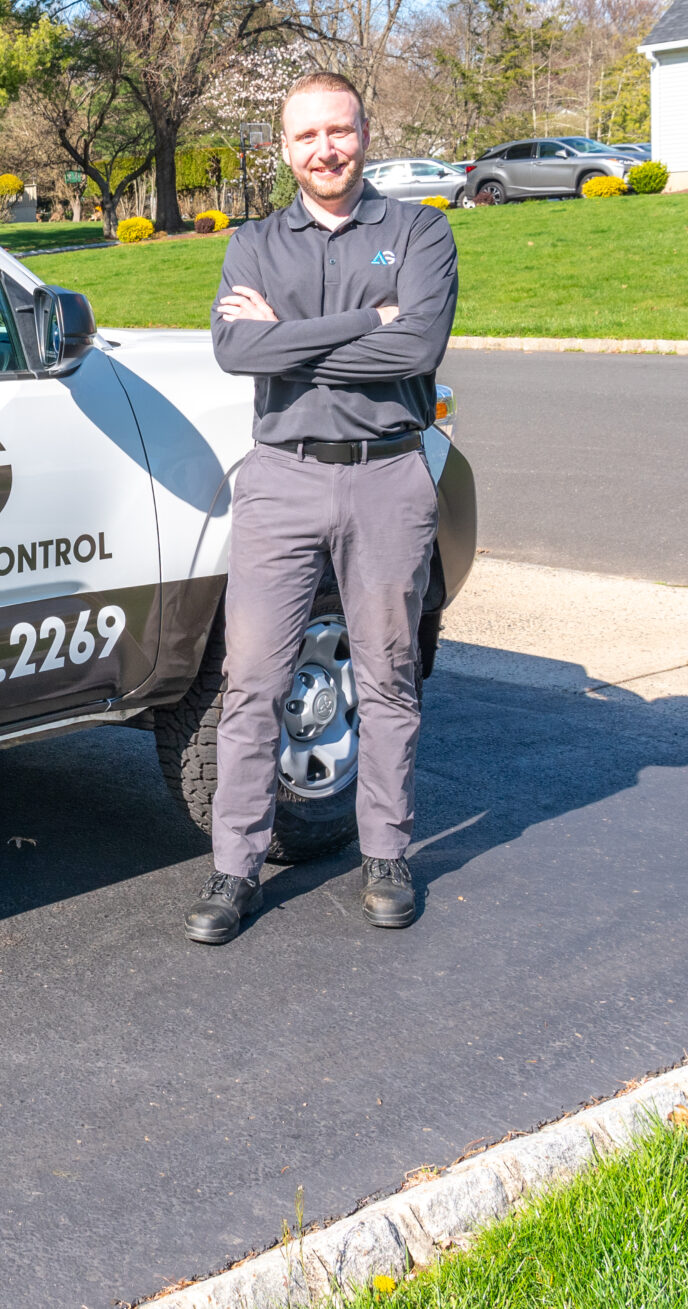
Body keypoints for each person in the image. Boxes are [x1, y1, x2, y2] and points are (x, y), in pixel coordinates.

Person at [185, 70, 458, 945]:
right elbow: (234, 349)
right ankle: (234, 868)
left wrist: (289, 344)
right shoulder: (256, 242)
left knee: (385, 674)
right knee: (251, 680)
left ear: (365, 132)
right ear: (285, 146)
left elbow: (417, 342)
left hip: (387, 476)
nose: (324, 149)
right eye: (306, 136)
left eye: (337, 131)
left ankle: (385, 853)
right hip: (281, 479)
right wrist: (360, 325)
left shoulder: (419, 229)